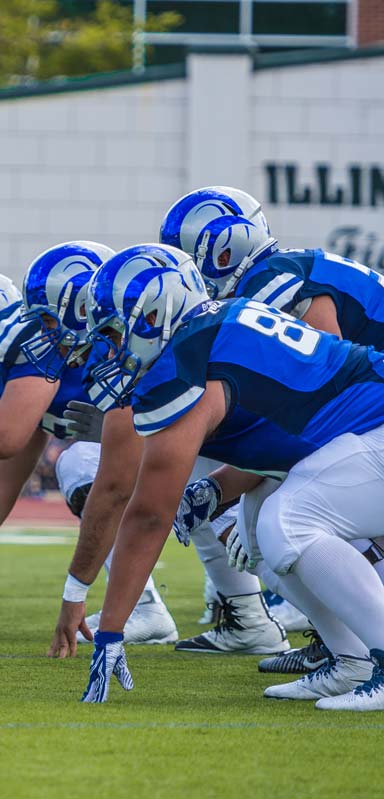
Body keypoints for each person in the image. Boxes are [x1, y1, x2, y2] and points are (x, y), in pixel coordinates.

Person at [65, 244, 384, 711]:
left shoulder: (189, 356)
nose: (106, 349)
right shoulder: (212, 331)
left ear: (157, 314)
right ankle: (351, 659)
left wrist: (111, 630)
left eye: (113, 333)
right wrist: (218, 486)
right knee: (257, 531)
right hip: (362, 434)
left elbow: (150, 515)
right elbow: (288, 426)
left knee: (289, 523)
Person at [0, 253, 176, 644]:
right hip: (175, 445)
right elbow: (4, 480)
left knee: (80, 465)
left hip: (179, 440)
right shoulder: (27, 360)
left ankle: (149, 606)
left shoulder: (32, 352)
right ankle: (243, 613)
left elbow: (3, 439)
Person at [163, 185, 384, 668]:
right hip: (369, 421)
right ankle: (348, 650)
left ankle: (358, 654)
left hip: (372, 420)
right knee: (269, 521)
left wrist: (224, 487)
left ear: (224, 249)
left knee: (278, 524)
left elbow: (321, 399)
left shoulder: (270, 281)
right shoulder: (283, 270)